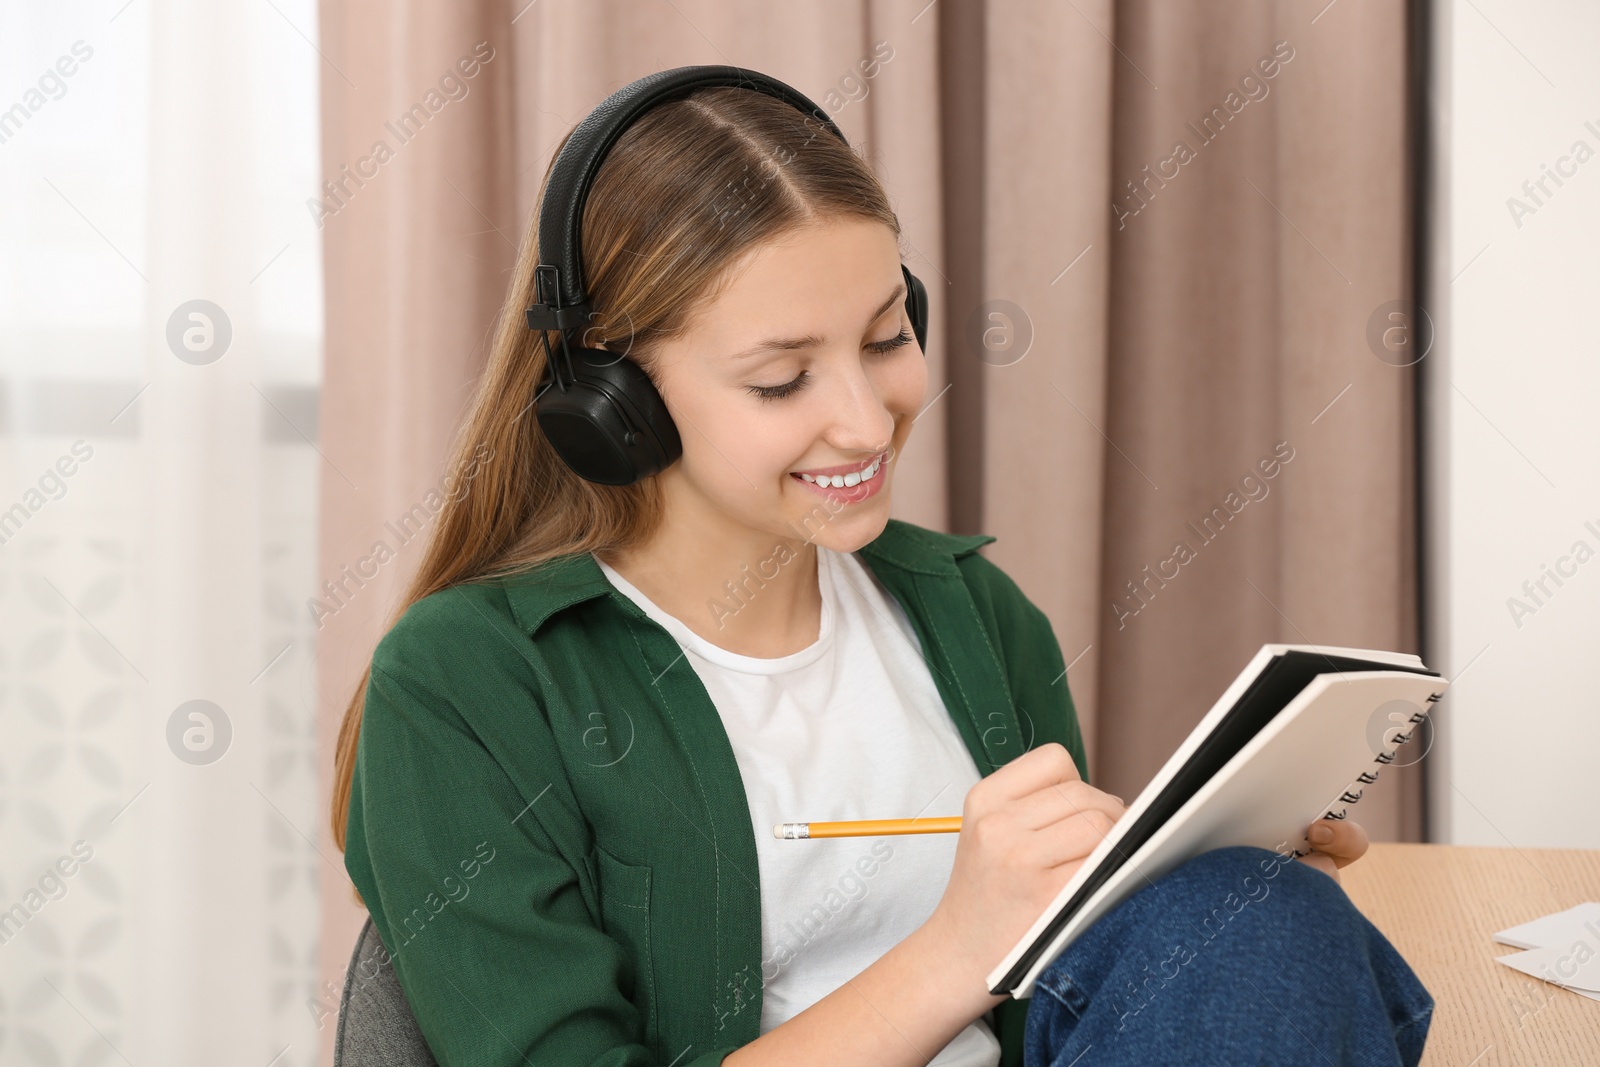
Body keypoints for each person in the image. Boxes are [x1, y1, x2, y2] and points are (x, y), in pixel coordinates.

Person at [330, 78, 1433, 1067]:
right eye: (780, 379)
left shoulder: (968, 609)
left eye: (885, 336)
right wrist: (956, 943)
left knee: (1261, 914)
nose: (865, 420)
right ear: (611, 401)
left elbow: (1059, 985)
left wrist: (1189, 879)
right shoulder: (467, 679)